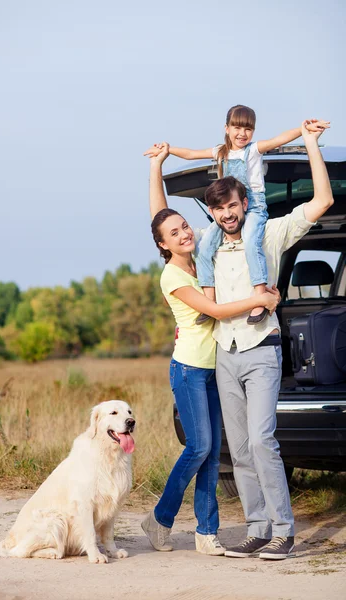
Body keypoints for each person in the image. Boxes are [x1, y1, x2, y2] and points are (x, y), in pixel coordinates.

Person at [147, 122, 334, 560]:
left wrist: (308, 143)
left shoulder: (266, 234)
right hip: (223, 356)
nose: (227, 215)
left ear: (244, 203)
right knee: (241, 447)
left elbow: (322, 201)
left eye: (233, 206)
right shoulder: (206, 247)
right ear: (212, 213)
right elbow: (162, 225)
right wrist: (157, 165)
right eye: (220, 210)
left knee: (263, 441)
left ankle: (283, 532)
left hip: (261, 351)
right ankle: (256, 527)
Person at [141, 146, 280, 556]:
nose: (183, 233)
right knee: (199, 447)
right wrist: (264, 302)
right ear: (162, 245)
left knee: (212, 451)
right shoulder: (171, 274)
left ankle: (207, 531)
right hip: (188, 369)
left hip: (218, 362)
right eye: (174, 234)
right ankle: (161, 518)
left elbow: (161, 217)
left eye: (185, 226)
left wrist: (158, 167)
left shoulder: (202, 252)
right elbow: (216, 309)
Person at [145, 106, 329, 325]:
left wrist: (304, 132)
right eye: (237, 127)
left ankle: (258, 297)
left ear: (242, 203)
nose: (242, 133)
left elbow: (278, 140)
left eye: (248, 129)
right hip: (222, 347)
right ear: (227, 128)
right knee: (204, 250)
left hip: (257, 207)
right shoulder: (220, 153)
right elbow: (163, 222)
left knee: (252, 242)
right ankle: (208, 297)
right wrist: (165, 154)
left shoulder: (253, 153)